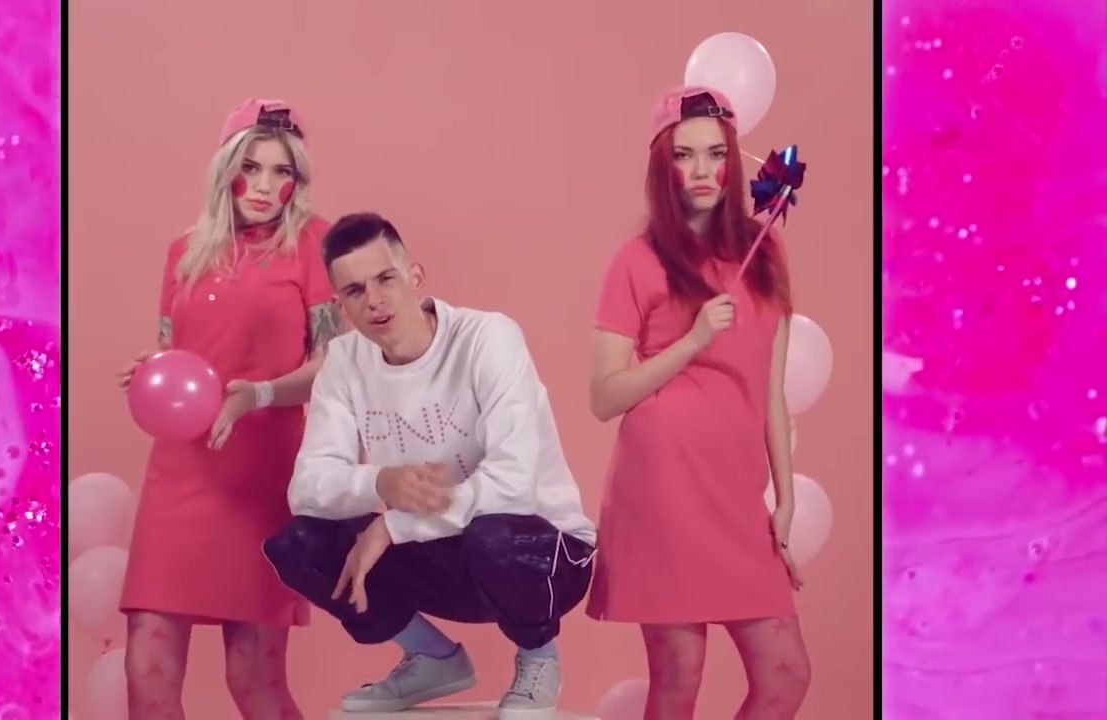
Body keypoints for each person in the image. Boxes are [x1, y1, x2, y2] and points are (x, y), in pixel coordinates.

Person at [261, 212, 597, 716]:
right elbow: (307, 488)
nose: (374, 300)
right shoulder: (344, 362)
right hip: (443, 556)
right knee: (300, 543)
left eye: (385, 279)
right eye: (354, 291)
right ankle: (432, 658)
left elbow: (513, 484)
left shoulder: (488, 338)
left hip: (545, 556)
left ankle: (539, 657)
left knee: (493, 533)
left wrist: (391, 526)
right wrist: (380, 482)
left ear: (415, 277)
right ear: (341, 305)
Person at [585, 86, 812, 719]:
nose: (702, 170)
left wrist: (785, 500)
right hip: (663, 487)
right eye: (684, 156)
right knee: (678, 681)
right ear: (664, 167)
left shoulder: (766, 250)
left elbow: (770, 388)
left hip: (735, 492)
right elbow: (604, 396)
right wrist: (692, 340)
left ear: (733, 160)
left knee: (787, 675)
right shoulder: (636, 261)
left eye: (715, 154)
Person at [116, 98, 343, 720]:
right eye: (251, 167)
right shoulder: (183, 252)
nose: (265, 186)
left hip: (260, 480)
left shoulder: (314, 243)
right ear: (225, 169)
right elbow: (176, 353)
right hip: (180, 473)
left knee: (254, 678)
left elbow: (335, 366)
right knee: (148, 668)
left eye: (281, 171)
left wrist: (258, 394)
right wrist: (151, 371)